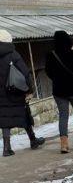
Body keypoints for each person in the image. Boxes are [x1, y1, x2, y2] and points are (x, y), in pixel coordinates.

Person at [0, 29, 45, 157]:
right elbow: (25, 73)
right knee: (24, 113)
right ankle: (33, 140)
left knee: (5, 118)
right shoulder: (13, 54)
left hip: (1, 94)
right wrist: (30, 90)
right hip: (15, 91)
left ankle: (7, 148)